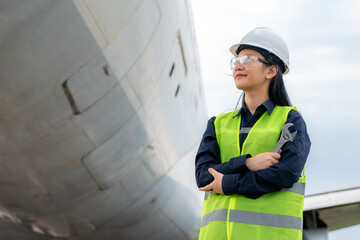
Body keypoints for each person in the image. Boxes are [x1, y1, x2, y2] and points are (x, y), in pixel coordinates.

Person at [195, 27, 311, 240]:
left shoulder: (290, 121)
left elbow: (284, 174)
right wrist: (247, 164)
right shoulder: (218, 124)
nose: (238, 65)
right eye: (236, 61)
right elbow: (203, 177)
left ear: (271, 70)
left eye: (248, 58)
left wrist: (227, 183)